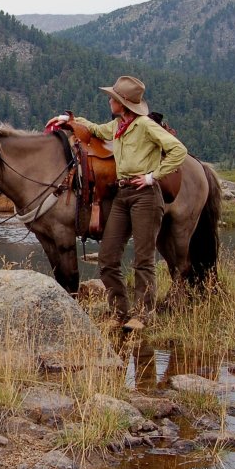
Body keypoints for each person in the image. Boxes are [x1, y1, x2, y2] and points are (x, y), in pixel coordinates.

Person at [48, 76, 187, 331]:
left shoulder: (145, 125)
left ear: (123, 104)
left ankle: (143, 315)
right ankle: (119, 311)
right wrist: (70, 121)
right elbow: (96, 131)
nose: (110, 100)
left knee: (143, 259)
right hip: (122, 195)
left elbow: (178, 150)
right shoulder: (118, 126)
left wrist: (151, 176)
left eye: (113, 98)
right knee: (107, 257)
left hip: (145, 195)